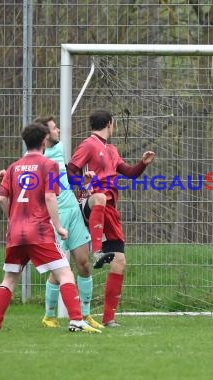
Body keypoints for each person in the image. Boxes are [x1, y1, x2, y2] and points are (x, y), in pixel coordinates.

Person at [0, 122, 100, 333]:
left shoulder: (13, 167)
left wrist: (12, 219)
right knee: (65, 274)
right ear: (43, 142)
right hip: (39, 231)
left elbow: (2, 198)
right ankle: (76, 320)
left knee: (10, 278)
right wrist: (58, 226)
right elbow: (50, 196)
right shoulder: (48, 165)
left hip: (16, 232)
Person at [67, 110, 155, 327]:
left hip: (109, 210)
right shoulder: (88, 144)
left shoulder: (112, 150)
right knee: (99, 197)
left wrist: (143, 163)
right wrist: (83, 181)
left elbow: (131, 173)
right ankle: (97, 252)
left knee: (120, 262)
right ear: (110, 124)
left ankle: (109, 319)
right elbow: (70, 172)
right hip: (90, 202)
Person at [33, 115, 103, 330]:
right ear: (46, 135)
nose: (59, 131)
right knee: (59, 270)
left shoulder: (59, 148)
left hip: (72, 212)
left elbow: (65, 179)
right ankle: (49, 315)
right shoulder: (37, 159)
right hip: (55, 217)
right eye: (55, 129)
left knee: (83, 263)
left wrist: (84, 182)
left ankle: (85, 314)